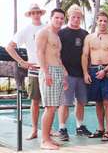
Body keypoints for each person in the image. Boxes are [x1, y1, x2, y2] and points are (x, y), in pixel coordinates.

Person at [6, 3, 46, 140]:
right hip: (34, 69)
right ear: (30, 15)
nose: (35, 14)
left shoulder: (47, 27)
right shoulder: (25, 30)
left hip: (49, 70)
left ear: (41, 13)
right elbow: (9, 47)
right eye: (33, 12)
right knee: (35, 101)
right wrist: (22, 62)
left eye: (37, 12)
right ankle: (34, 130)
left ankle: (48, 130)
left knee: (50, 103)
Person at [82, 11, 108, 141]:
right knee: (98, 102)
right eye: (100, 20)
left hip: (107, 70)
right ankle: (100, 128)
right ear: (96, 21)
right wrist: (85, 73)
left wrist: (106, 70)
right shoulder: (89, 38)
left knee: (107, 101)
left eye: (105, 21)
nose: (103, 23)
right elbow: (85, 56)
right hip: (92, 70)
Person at [57, 4, 91, 141]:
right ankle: (62, 128)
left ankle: (79, 126)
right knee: (65, 103)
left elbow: (88, 54)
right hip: (67, 74)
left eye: (78, 17)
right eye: (73, 17)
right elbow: (56, 54)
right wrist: (63, 71)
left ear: (81, 18)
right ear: (69, 17)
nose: (76, 19)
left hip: (82, 74)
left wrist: (87, 71)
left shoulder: (85, 34)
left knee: (81, 102)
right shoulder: (61, 33)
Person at [36, 8, 67, 150]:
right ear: (51, 17)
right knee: (49, 108)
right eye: (57, 18)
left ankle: (48, 138)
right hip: (48, 71)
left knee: (54, 107)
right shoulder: (44, 32)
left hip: (58, 72)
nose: (59, 20)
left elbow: (58, 57)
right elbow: (40, 53)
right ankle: (44, 140)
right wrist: (46, 72)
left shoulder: (57, 36)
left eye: (62, 18)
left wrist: (65, 74)